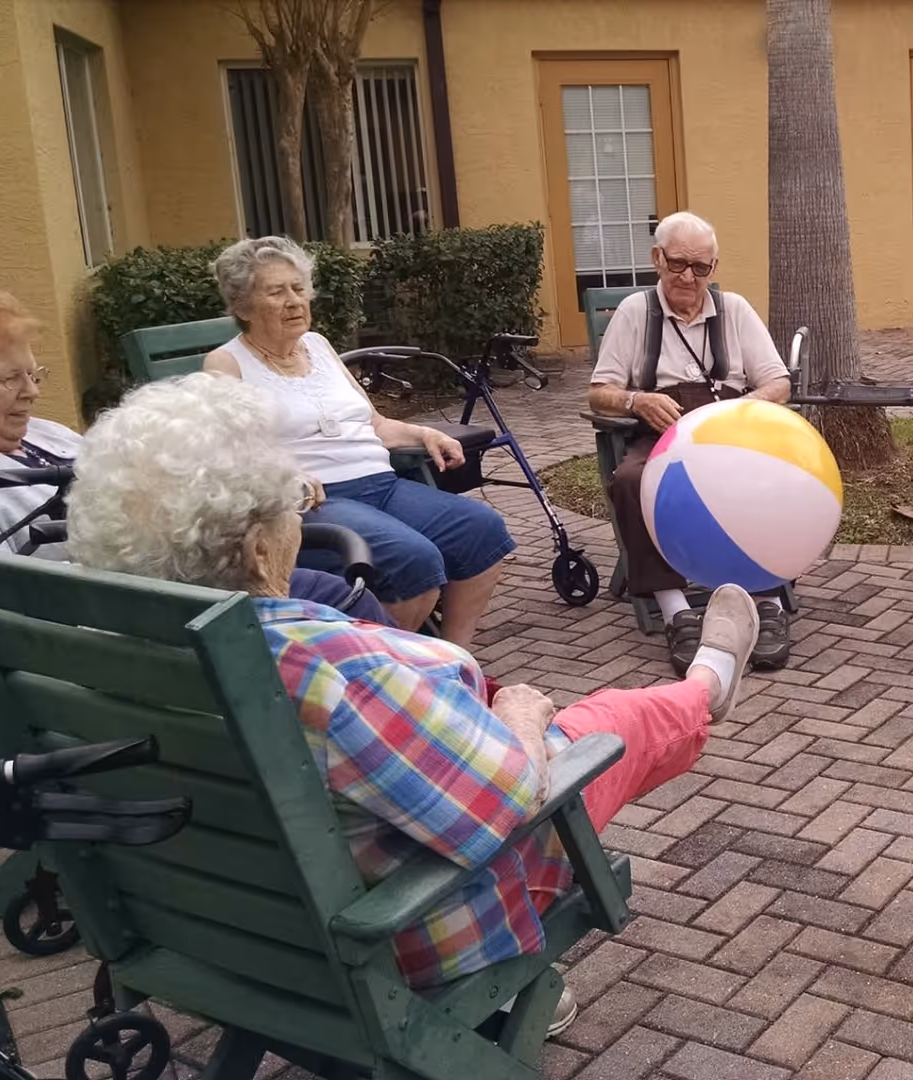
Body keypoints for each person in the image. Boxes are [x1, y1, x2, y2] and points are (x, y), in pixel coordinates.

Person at [64, 373, 761, 1029]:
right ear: (257, 549)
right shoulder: (320, 670)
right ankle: (702, 688)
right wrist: (520, 710)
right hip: (398, 936)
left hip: (220, 931)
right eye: (293, 504)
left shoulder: (87, 661)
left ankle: (693, 689)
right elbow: (509, 801)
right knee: (599, 728)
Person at [0, 284, 387, 620]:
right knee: (336, 601)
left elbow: (165, 486)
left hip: (180, 595)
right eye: (9, 378)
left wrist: (258, 485)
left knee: (339, 589)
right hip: (128, 628)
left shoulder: (47, 435)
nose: (31, 391)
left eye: (35, 374)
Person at [202, 236, 512, 647]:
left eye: (298, 289)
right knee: (414, 560)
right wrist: (283, 475)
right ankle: (384, 670)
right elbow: (231, 452)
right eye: (276, 292)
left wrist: (423, 433)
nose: (294, 301)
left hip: (382, 485)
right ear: (241, 306)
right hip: (316, 501)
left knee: (482, 530)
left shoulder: (318, 345)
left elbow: (376, 423)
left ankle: (453, 660)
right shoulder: (225, 363)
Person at [587, 211, 794, 673]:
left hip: (732, 433)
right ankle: (677, 611)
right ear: (657, 259)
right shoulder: (635, 312)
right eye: (678, 263)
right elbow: (599, 391)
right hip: (665, 436)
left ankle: (766, 601)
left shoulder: (735, 310)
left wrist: (737, 412)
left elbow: (778, 382)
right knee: (632, 480)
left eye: (700, 268)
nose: (688, 277)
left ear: (713, 269)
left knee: (774, 479)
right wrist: (638, 400)